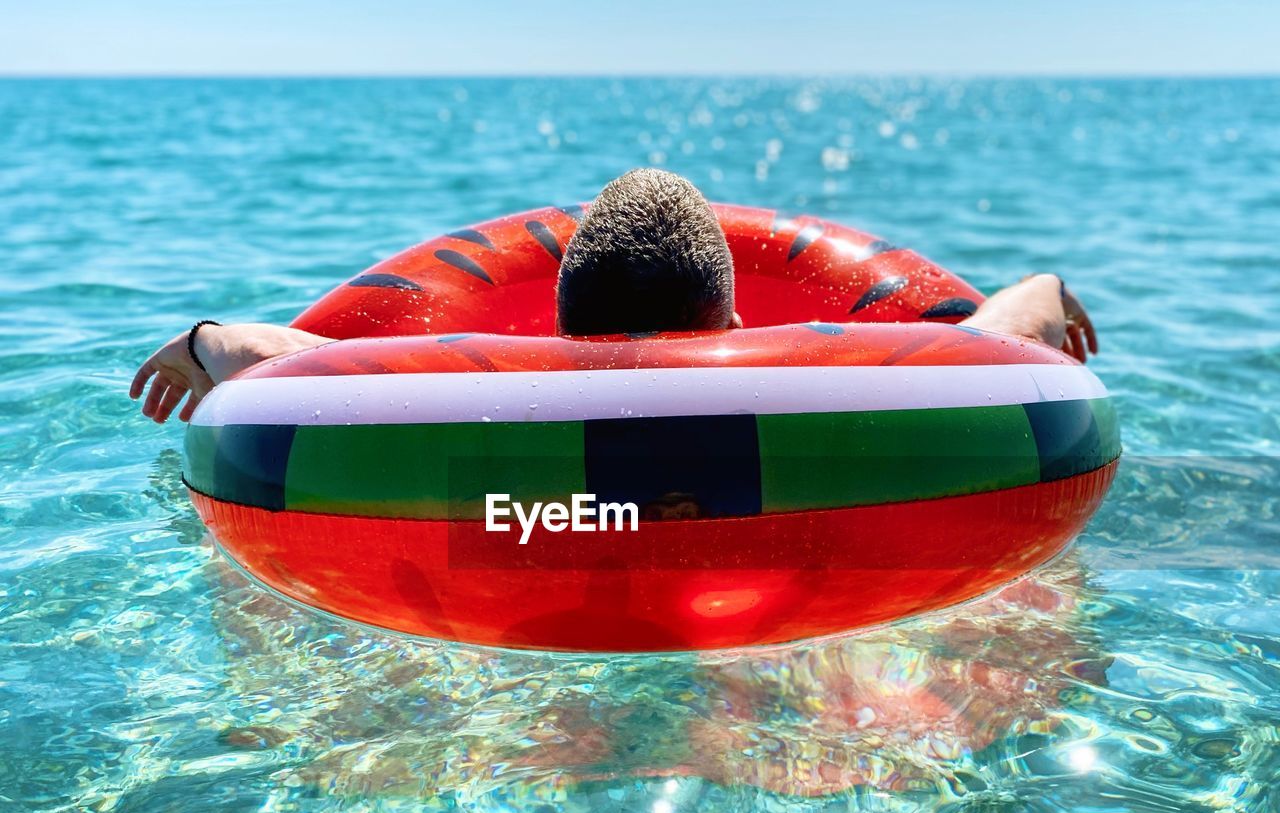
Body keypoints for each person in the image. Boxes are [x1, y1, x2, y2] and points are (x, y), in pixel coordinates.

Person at [130, 168, 1097, 424]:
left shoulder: (482, 393)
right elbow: (1005, 332)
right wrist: (1046, 286)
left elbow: (297, 362)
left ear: (550, 322)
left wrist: (204, 339)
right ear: (735, 322)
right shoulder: (811, 374)